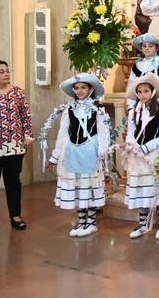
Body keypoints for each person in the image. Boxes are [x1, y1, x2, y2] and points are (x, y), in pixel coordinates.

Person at [46, 74, 110, 237]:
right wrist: (55, 156)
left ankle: (92, 222)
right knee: (79, 187)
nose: (80, 91)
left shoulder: (98, 109)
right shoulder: (69, 109)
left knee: (89, 188)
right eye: (77, 88)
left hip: (91, 151)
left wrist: (102, 152)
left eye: (83, 87)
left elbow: (104, 133)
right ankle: (82, 221)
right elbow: (63, 133)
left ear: (90, 89)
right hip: (73, 151)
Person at [0, 61, 32, 232]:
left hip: (14, 146)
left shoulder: (17, 93)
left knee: (13, 182)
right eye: (1, 71)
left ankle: (15, 216)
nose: (6, 74)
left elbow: (25, 116)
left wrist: (28, 135)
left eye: (7, 71)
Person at [122, 74, 159, 240]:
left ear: (152, 92)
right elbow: (130, 132)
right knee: (141, 192)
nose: (143, 94)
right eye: (140, 92)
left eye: (146, 91)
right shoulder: (133, 112)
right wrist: (132, 145)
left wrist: (146, 147)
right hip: (137, 158)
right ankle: (143, 224)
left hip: (152, 156)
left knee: (156, 191)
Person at [127, 33, 159, 111]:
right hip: (139, 105)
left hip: (158, 106)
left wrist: (157, 104)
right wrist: (130, 105)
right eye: (144, 46)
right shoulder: (136, 66)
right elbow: (131, 86)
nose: (147, 48)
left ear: (157, 48)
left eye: (150, 46)